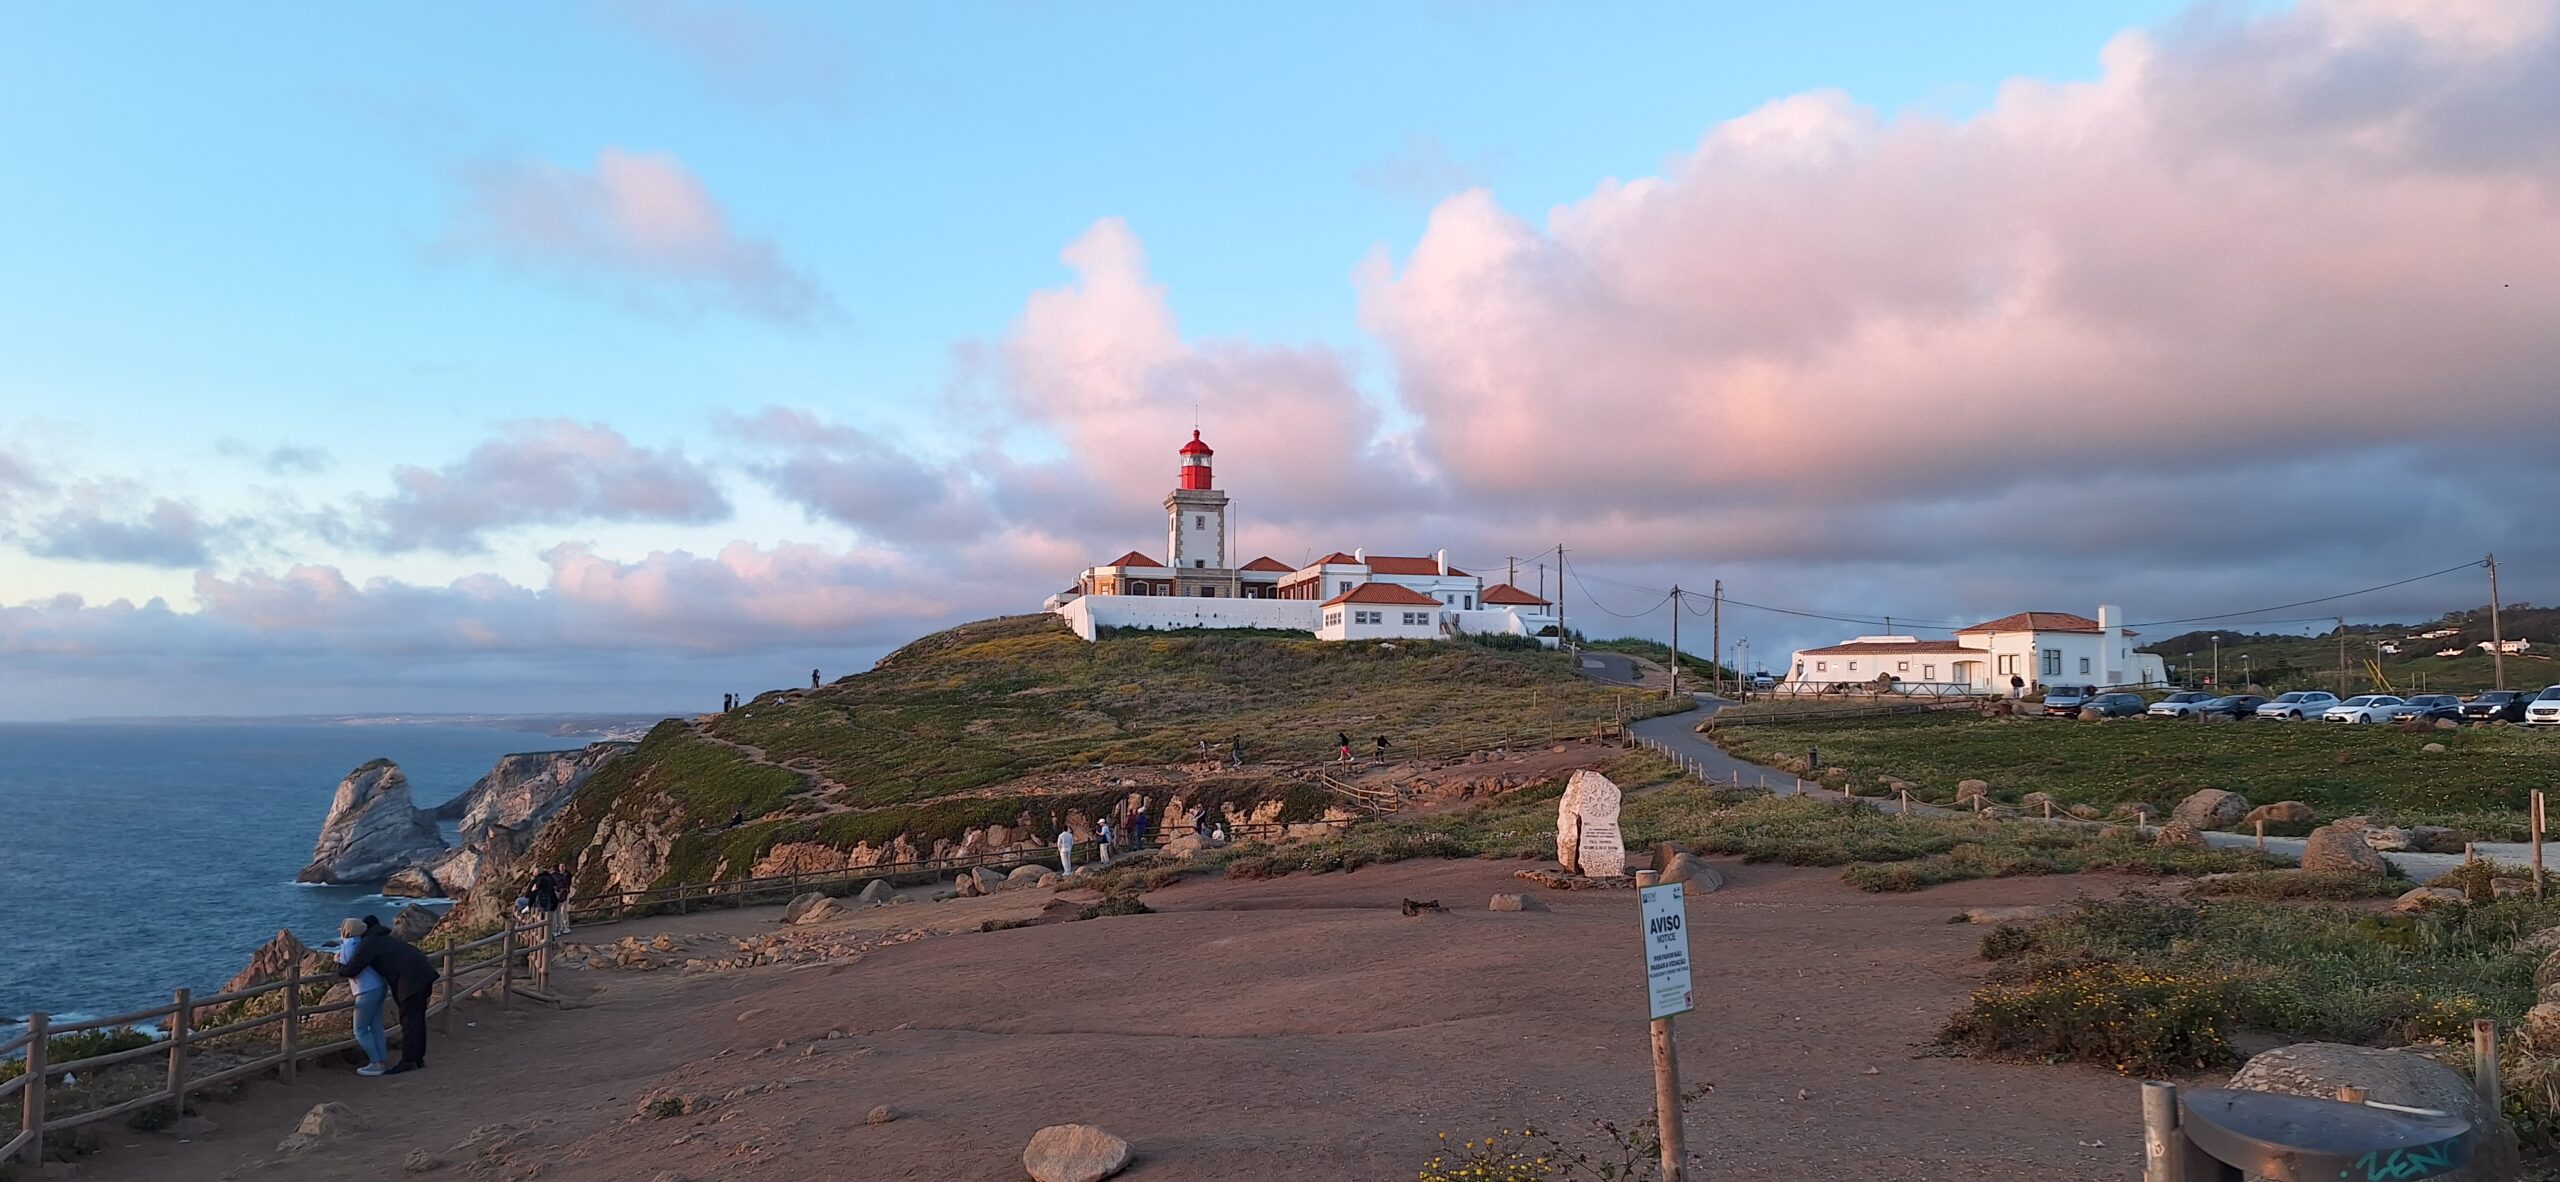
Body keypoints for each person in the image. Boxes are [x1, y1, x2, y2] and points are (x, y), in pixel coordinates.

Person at [336, 917, 440, 1075]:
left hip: (410, 980)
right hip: (422, 973)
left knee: (409, 1021)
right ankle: (417, 1058)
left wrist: (338, 964)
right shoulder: (383, 939)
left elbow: (351, 969)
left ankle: (409, 1060)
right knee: (417, 1020)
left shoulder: (369, 943)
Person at [336, 918, 389, 1076]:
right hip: (379, 986)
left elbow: (347, 967)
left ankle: (375, 1063)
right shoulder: (364, 943)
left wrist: (336, 960)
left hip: (366, 990)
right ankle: (381, 1059)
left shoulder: (348, 946)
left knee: (360, 1030)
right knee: (375, 1025)